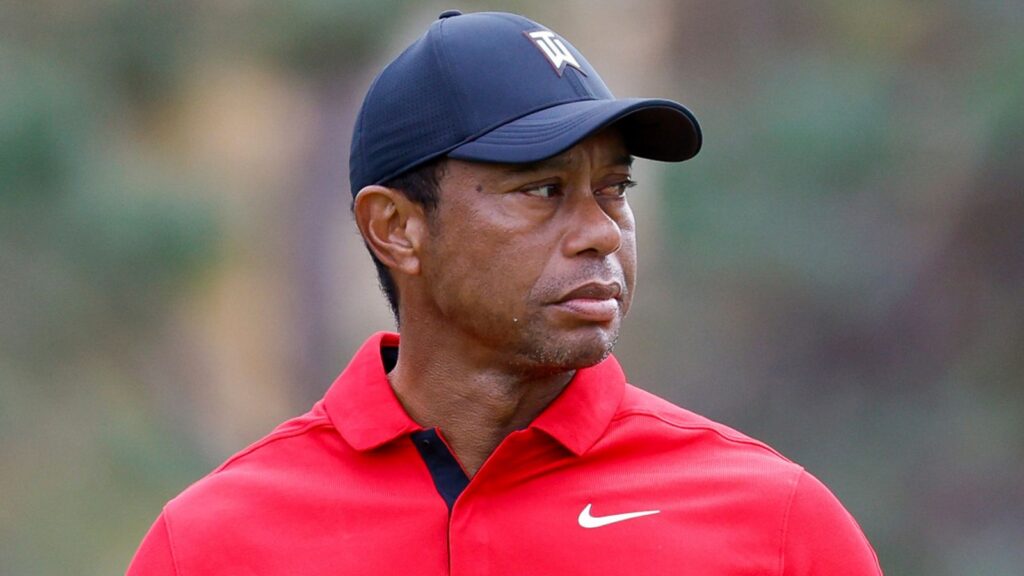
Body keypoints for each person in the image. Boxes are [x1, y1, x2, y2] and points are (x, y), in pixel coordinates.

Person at [127, 10, 882, 575]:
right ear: (396, 228)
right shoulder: (212, 543)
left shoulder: (776, 525)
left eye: (613, 188)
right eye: (544, 189)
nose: (601, 232)